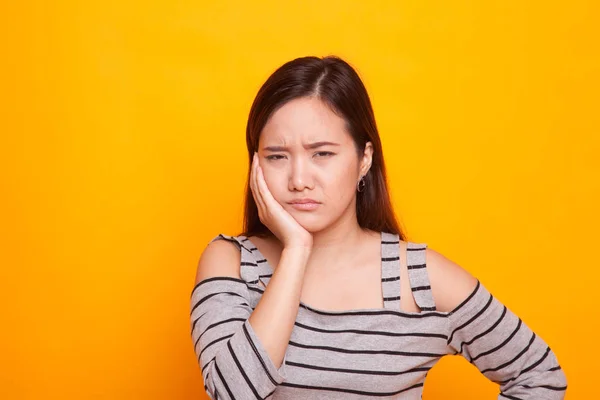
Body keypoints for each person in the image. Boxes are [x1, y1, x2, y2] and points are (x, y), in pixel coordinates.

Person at [189, 55, 567, 399]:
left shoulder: (419, 278)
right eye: (277, 156)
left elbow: (540, 376)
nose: (298, 179)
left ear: (364, 158)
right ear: (256, 164)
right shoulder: (233, 263)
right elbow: (230, 393)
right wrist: (297, 250)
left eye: (322, 153)